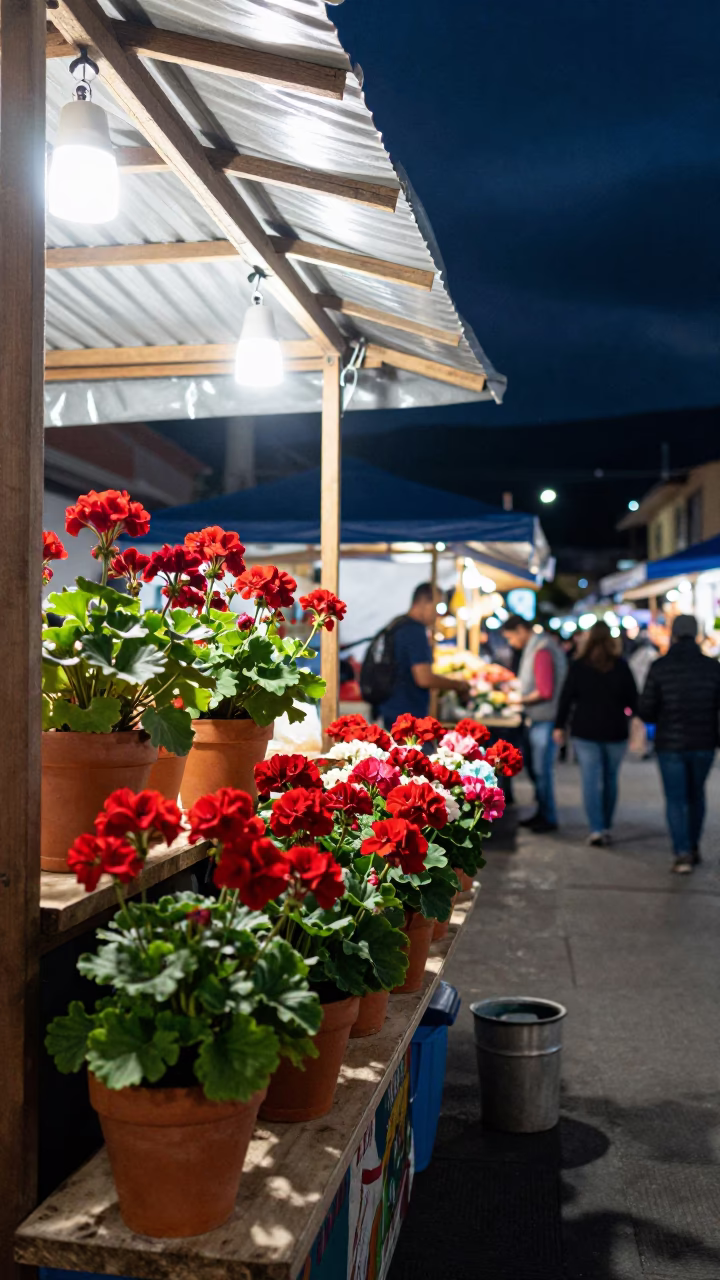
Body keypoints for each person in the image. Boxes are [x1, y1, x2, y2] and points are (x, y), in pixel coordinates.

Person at [639, 614, 720, 874]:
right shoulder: (712, 667)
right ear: (696, 634)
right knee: (696, 795)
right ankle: (693, 846)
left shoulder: (660, 666)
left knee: (675, 799)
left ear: (673, 634)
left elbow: (647, 709)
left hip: (669, 744)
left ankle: (682, 853)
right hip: (704, 742)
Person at [553, 622, 638, 846]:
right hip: (616, 729)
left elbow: (566, 697)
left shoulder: (579, 666)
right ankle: (606, 825)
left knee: (590, 780)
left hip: (585, 729)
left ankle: (596, 828)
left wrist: (559, 725)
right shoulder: (621, 666)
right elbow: (633, 700)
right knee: (610, 779)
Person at [502, 616, 567, 833]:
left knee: (542, 770)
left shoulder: (541, 650)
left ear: (521, 630)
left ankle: (548, 816)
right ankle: (542, 812)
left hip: (545, 720)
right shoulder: (537, 647)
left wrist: (516, 699)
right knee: (537, 769)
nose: (511, 643)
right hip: (540, 719)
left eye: (510, 637)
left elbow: (545, 691)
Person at [377, 583, 471, 727]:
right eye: (438, 606)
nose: (439, 614)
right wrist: (458, 685)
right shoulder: (414, 631)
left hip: (391, 708)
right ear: (425, 603)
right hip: (407, 714)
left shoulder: (397, 624)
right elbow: (424, 678)